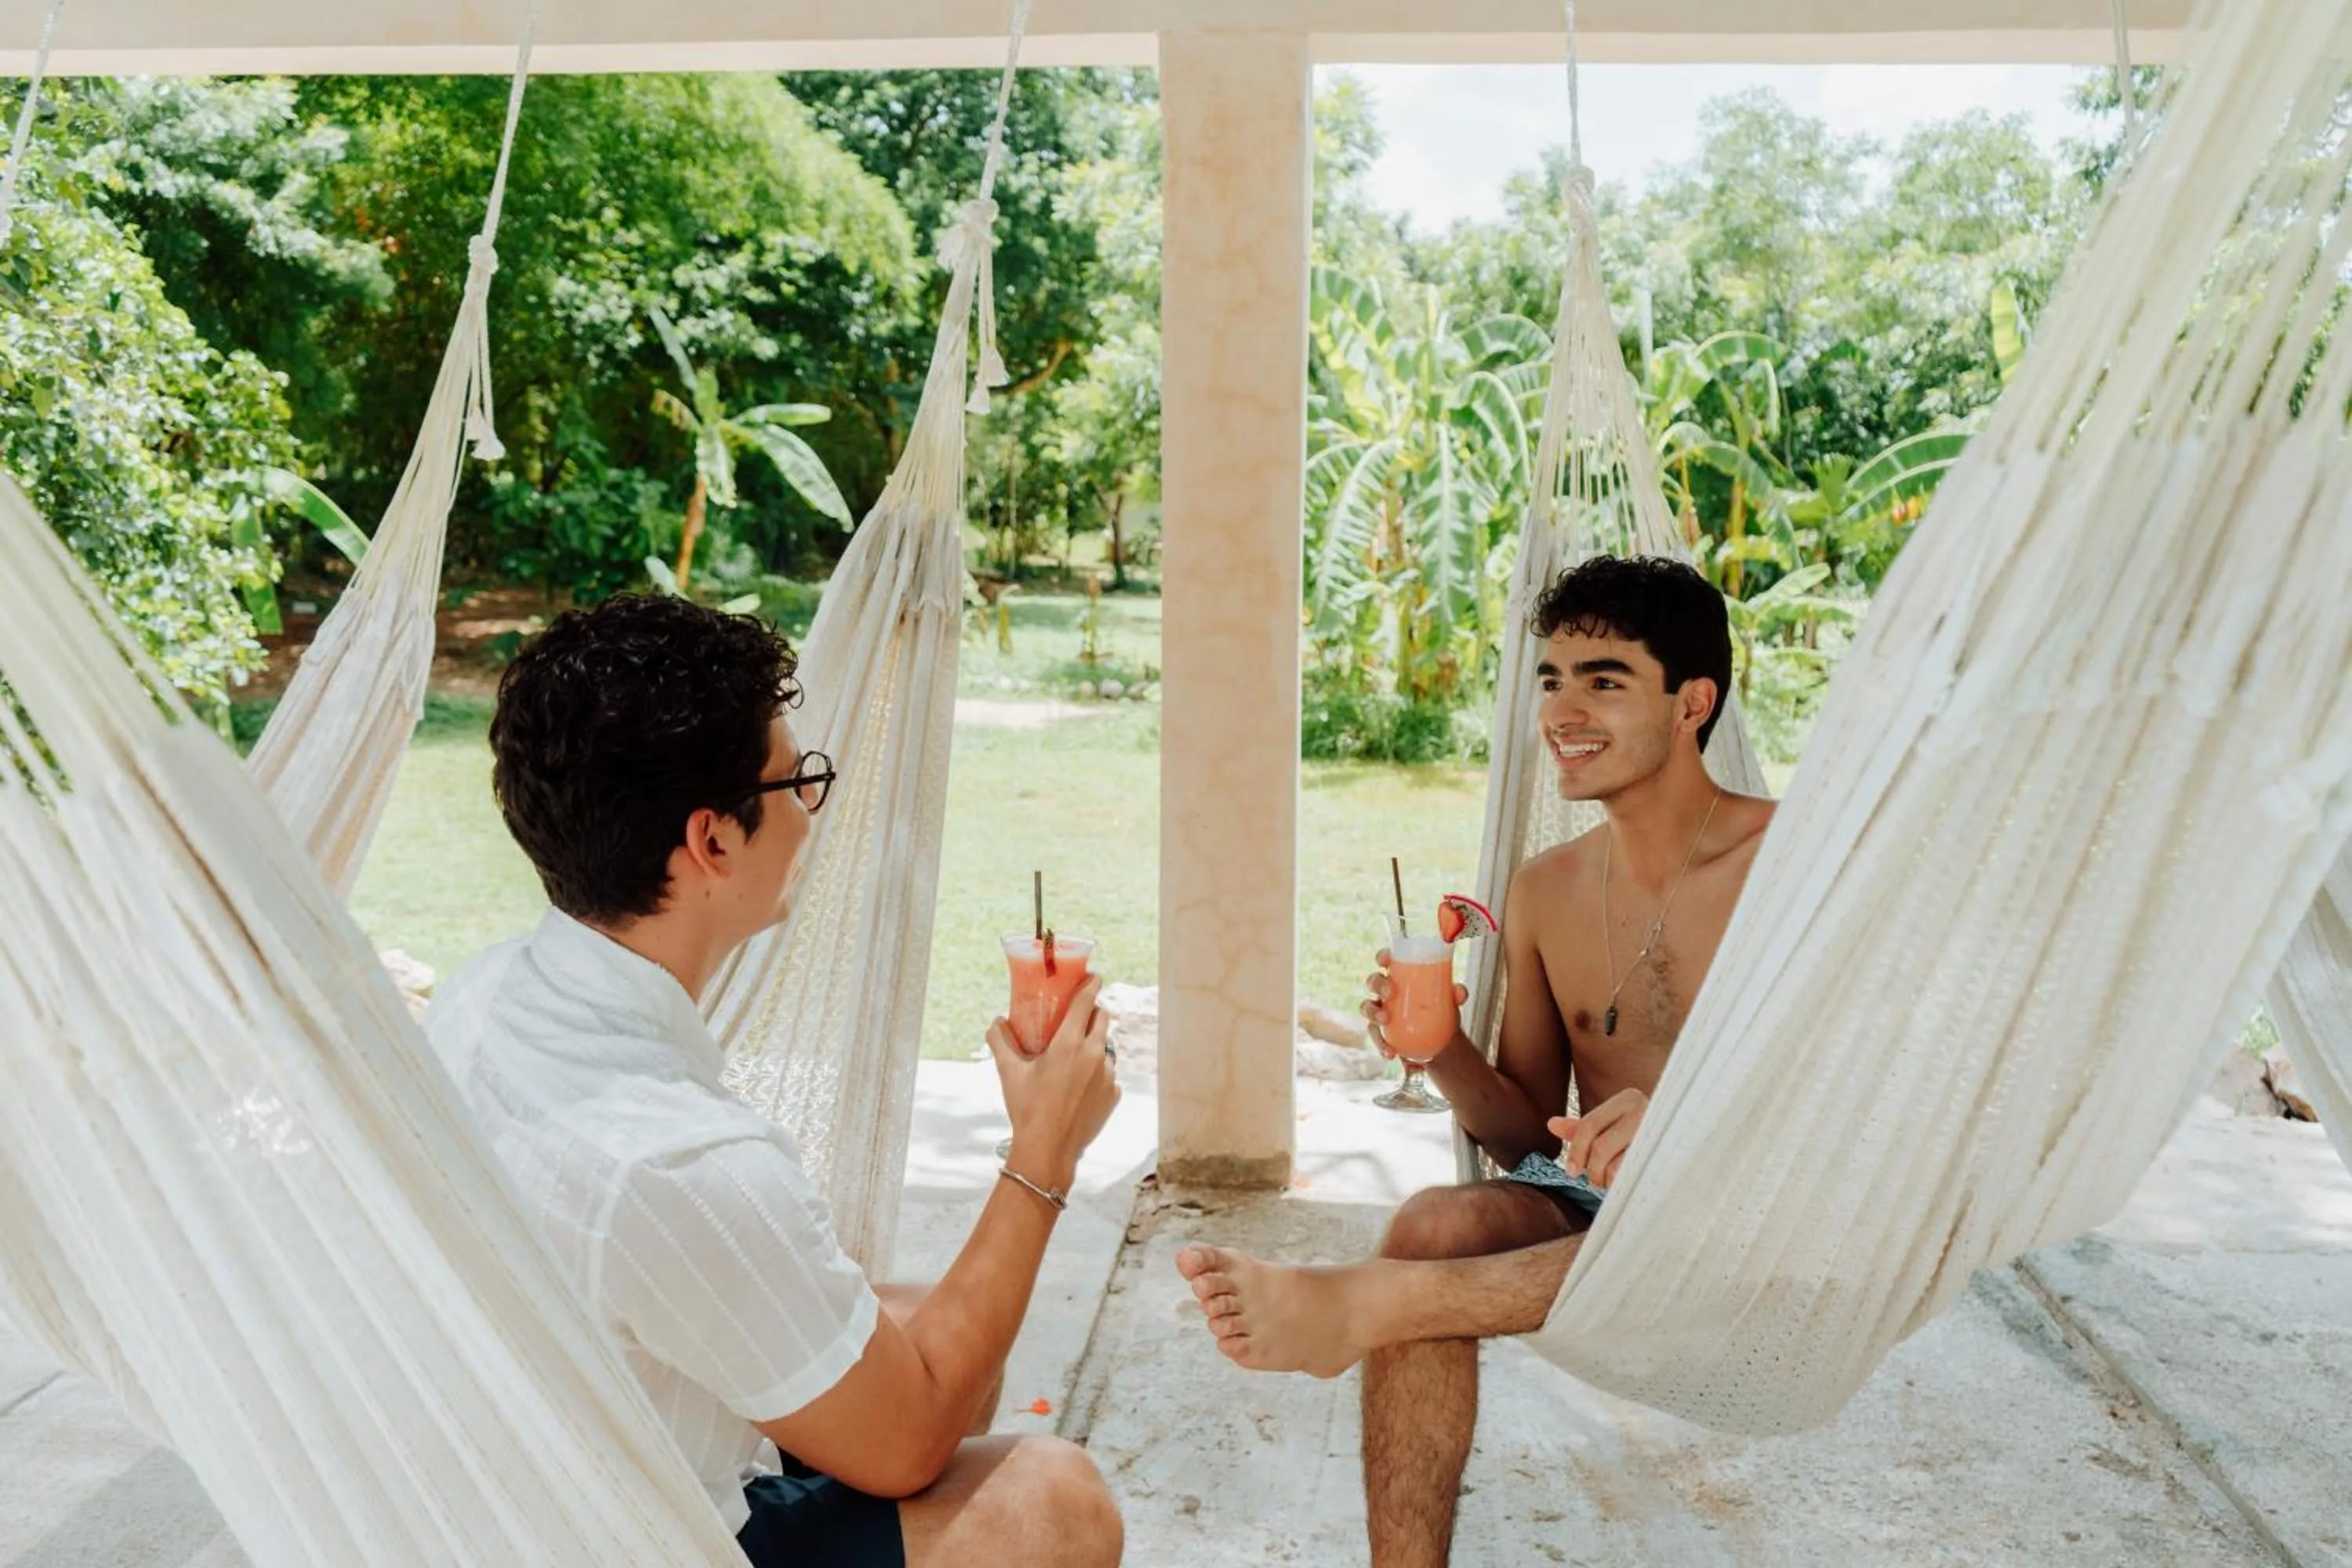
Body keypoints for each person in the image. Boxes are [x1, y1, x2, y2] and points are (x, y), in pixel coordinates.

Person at [425, 593, 1124, 1568]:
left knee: (939, 1325)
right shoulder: (679, 1159)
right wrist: (1044, 1151)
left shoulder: (484, 992)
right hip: (624, 1534)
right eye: (799, 780)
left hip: (511, 1480)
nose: (807, 810)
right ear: (713, 841)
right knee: (1057, 1500)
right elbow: (912, 1439)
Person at [1178, 555, 1774, 1568]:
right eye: (1549, 679)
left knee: (1401, 1282)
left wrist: (1677, 1134)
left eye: (1604, 679)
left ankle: (1361, 1305)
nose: (1562, 710)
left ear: (1692, 703)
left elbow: (1845, 1097)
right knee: (1430, 1224)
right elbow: (1524, 1135)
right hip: (1597, 1208)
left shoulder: (1787, 870)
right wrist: (1440, 1048)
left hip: (1749, 1205)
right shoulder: (1544, 889)